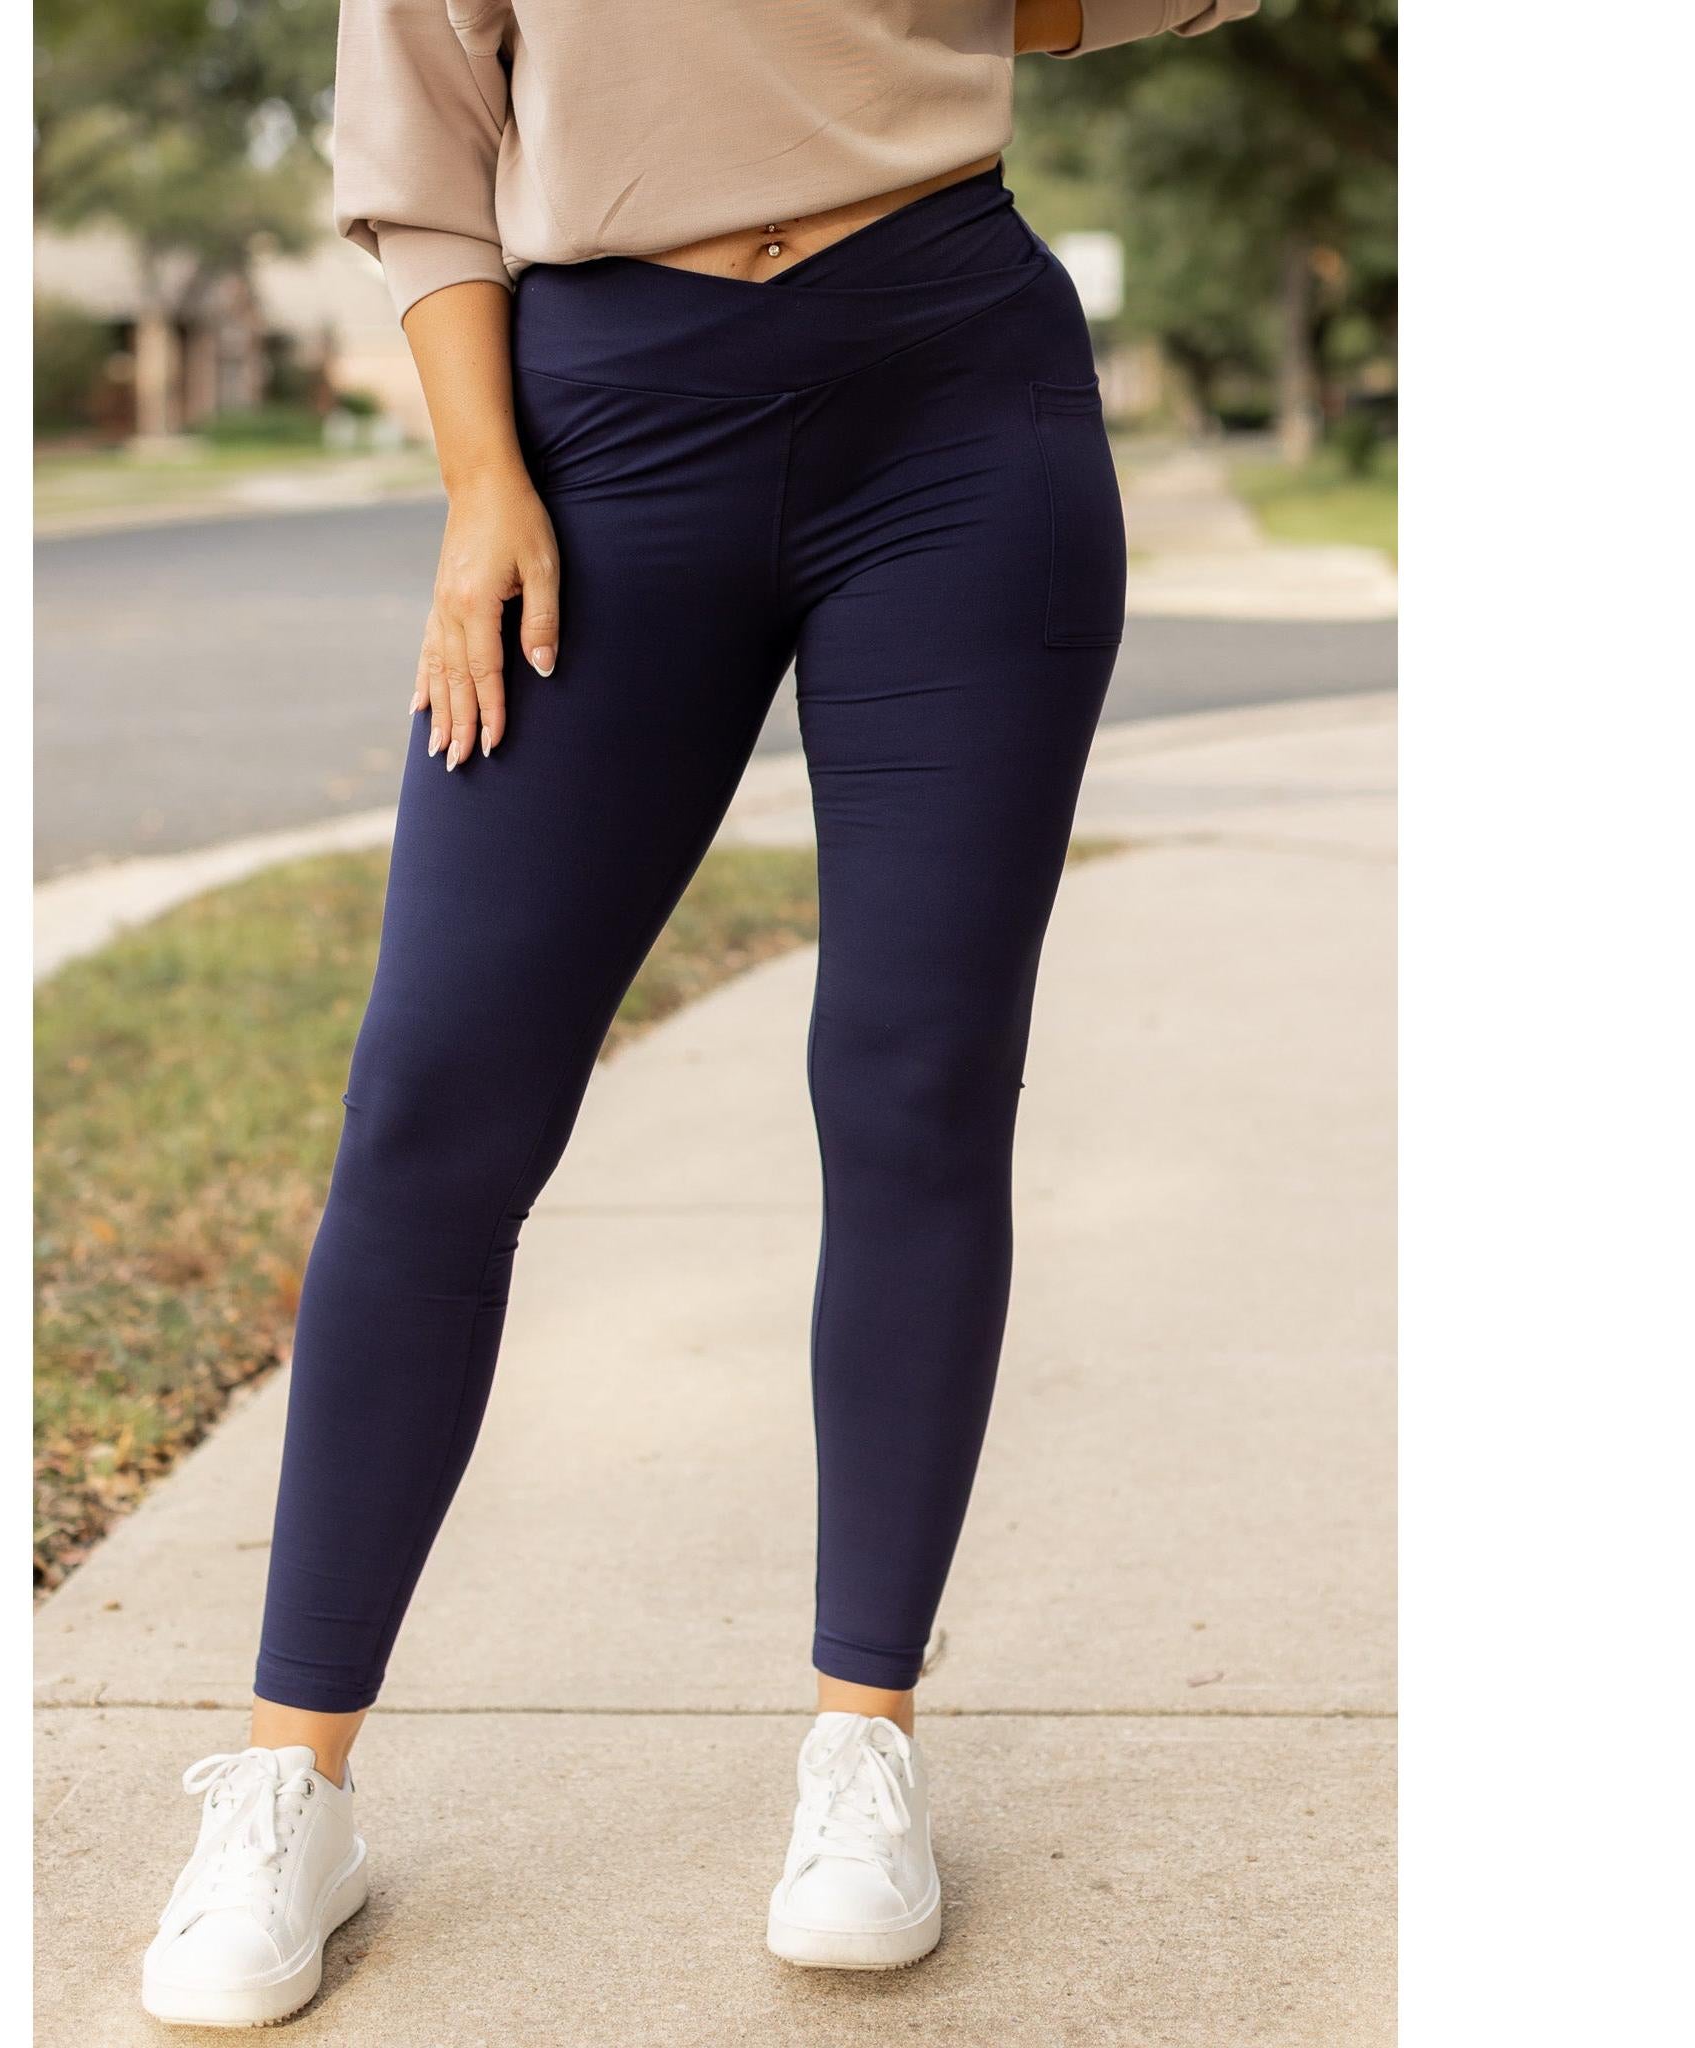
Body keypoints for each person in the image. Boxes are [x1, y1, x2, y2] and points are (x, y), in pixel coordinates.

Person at [140, 0, 1258, 2026]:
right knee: (438, 1102)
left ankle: (863, 1744)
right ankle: (291, 1784)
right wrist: (482, 480)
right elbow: (423, 158)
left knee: (916, 1077)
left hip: (956, 394)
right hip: (599, 426)